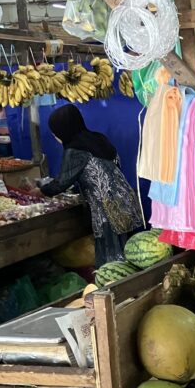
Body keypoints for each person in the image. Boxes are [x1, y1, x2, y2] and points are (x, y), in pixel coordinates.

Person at [36, 104, 141, 267]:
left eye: (55, 132)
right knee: (128, 250)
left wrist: (40, 191)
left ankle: (116, 287)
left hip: (106, 208)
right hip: (124, 198)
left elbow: (60, 184)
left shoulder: (75, 150)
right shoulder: (98, 138)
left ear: (63, 129)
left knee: (112, 257)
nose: (54, 136)